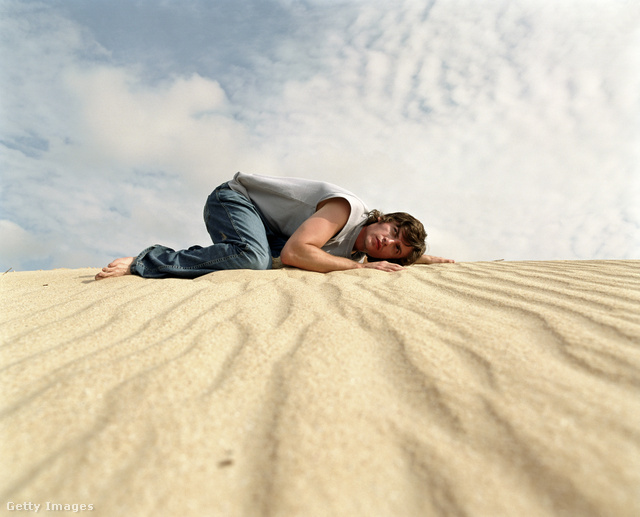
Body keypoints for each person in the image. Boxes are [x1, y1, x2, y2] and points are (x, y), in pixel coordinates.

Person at [95, 172, 453, 280]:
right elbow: (299, 253)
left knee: (265, 260)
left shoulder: (357, 248)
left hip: (270, 231)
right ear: (383, 218)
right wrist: (364, 269)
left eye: (395, 249)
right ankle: (148, 260)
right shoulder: (348, 209)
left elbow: (381, 258)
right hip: (235, 200)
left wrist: (423, 259)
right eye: (392, 233)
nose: (386, 243)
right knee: (254, 260)